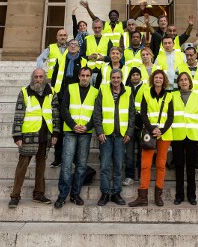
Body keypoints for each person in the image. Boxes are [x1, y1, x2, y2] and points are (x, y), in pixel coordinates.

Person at [9, 68, 60, 207]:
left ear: (45, 78)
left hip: (45, 134)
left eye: (41, 77)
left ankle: (39, 193)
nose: (38, 79)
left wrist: (55, 133)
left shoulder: (52, 92)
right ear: (32, 78)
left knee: (41, 166)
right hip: (28, 135)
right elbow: (18, 114)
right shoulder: (25, 92)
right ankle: (15, 195)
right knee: (22, 166)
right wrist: (17, 135)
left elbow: (55, 114)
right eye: (36, 77)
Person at [128, 69, 174, 207]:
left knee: (161, 165)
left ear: (164, 80)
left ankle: (158, 196)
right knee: (145, 165)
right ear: (152, 79)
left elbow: (171, 116)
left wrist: (162, 130)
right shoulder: (146, 93)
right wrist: (151, 128)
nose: (158, 79)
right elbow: (143, 114)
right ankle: (142, 196)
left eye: (160, 77)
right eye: (156, 77)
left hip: (164, 134)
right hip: (149, 132)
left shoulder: (170, 96)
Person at [54, 67, 98, 208]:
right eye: (82, 75)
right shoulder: (70, 88)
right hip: (70, 131)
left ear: (91, 77)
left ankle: (75, 194)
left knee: (81, 165)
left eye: (87, 75)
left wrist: (88, 126)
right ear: (78, 76)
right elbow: (64, 109)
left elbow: (96, 113)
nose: (85, 78)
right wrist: (73, 125)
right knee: (66, 164)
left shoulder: (96, 92)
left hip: (85, 132)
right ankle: (62, 195)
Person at [93, 68, 136, 206]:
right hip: (105, 135)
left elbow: (132, 114)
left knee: (118, 166)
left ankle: (116, 193)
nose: (116, 80)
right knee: (105, 166)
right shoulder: (103, 90)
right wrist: (99, 131)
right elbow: (97, 112)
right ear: (110, 79)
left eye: (118, 78)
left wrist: (129, 132)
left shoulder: (128, 91)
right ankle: (105, 193)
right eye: (113, 78)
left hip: (121, 135)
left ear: (121, 78)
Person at [48, 39, 88, 167]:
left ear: (78, 48)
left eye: (75, 45)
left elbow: (86, 78)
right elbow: (54, 78)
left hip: (76, 97)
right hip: (61, 95)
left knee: (75, 125)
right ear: (68, 46)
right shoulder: (61, 59)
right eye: (70, 44)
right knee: (59, 127)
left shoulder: (82, 61)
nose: (72, 47)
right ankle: (58, 157)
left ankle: (76, 159)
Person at [171, 71, 198, 205]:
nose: (184, 82)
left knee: (191, 167)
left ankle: (192, 196)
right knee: (179, 166)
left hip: (192, 135)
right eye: (181, 80)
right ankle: (179, 195)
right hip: (177, 135)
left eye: (186, 79)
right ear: (178, 83)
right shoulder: (172, 96)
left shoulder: (197, 96)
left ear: (190, 82)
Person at [123, 67, 144, 185]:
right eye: (133, 75)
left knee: (142, 152)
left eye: (137, 74)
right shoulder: (125, 88)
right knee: (129, 153)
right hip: (128, 125)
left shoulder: (146, 88)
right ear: (130, 77)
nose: (135, 76)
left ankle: (141, 175)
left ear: (140, 76)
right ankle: (129, 176)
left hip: (141, 125)